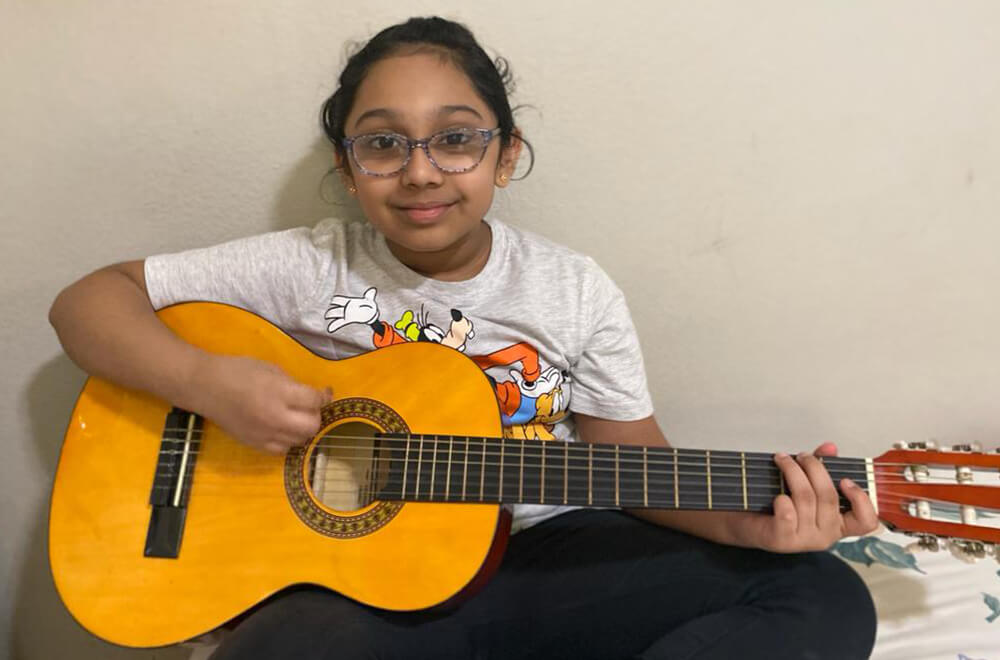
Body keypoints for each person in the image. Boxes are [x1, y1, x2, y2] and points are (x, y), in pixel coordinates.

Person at [49, 15, 878, 660]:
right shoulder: (306, 267)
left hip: (547, 565)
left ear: (505, 154)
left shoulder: (573, 288)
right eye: (382, 143)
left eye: (455, 138)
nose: (420, 170)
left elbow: (634, 469)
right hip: (363, 601)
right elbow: (88, 303)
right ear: (347, 168)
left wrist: (753, 526)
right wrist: (210, 385)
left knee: (822, 596)